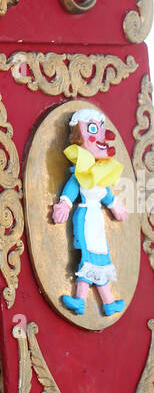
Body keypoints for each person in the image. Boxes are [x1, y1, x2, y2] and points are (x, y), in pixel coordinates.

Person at [51, 107, 127, 316]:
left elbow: (106, 194)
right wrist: (64, 204)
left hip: (97, 222)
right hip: (85, 218)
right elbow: (71, 190)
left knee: (100, 258)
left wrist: (115, 205)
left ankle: (105, 303)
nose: (99, 134)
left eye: (100, 127)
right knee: (89, 258)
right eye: (93, 128)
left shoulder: (99, 174)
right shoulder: (80, 173)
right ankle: (81, 300)